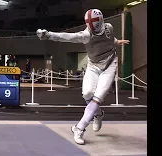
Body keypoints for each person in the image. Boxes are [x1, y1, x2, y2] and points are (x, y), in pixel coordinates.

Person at [36, 9, 130, 145]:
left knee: (99, 96)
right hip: (93, 66)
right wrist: (49, 35)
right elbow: (67, 37)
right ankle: (98, 114)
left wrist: (117, 42)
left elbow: (108, 39)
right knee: (87, 94)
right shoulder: (86, 35)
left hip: (110, 64)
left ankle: (79, 128)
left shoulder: (109, 27)